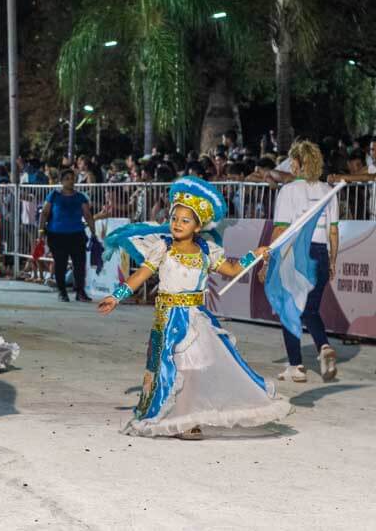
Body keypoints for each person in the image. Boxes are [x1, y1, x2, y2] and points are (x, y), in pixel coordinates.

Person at [99, 176, 292, 438]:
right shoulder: (162, 248)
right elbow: (140, 275)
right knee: (173, 369)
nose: (177, 224)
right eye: (175, 218)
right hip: (169, 320)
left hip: (197, 319)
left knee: (195, 367)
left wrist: (254, 256)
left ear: (198, 226)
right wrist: (116, 296)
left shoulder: (206, 251)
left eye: (185, 220)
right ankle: (179, 420)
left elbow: (233, 269)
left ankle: (187, 416)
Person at [260, 140, 339, 382]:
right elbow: (333, 232)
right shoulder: (328, 191)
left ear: (296, 163)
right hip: (321, 253)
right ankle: (324, 347)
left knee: (289, 309)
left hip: (295, 255)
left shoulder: (288, 191)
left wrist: (267, 262)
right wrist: (333, 261)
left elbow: (280, 231)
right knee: (311, 309)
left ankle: (296, 366)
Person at [37, 169, 97, 302]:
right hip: (57, 235)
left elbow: (87, 215)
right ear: (61, 181)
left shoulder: (80, 197)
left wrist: (93, 231)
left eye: (73, 178)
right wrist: (40, 231)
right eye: (68, 178)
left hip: (77, 234)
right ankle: (62, 291)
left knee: (79, 265)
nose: (71, 181)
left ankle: (80, 292)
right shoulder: (54, 195)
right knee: (60, 264)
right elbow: (45, 213)